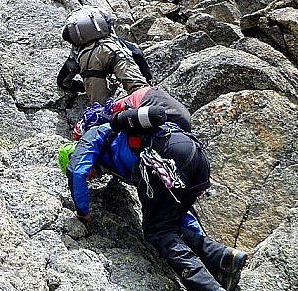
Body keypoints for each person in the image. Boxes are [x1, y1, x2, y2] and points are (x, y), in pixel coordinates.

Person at [59, 89, 248, 291]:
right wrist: (204, 245)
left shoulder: (95, 133)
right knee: (169, 223)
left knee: (157, 232)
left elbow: (77, 171)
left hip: (164, 159)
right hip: (194, 154)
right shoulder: (124, 139)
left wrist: (83, 211)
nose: (91, 178)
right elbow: (183, 217)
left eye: (91, 175)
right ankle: (224, 257)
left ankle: (207, 287)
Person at [57, 6, 153, 103]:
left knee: (101, 109)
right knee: (141, 92)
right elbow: (137, 53)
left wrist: (81, 87)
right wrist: (149, 79)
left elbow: (62, 80)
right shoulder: (113, 39)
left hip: (88, 61)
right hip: (114, 51)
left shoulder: (76, 51)